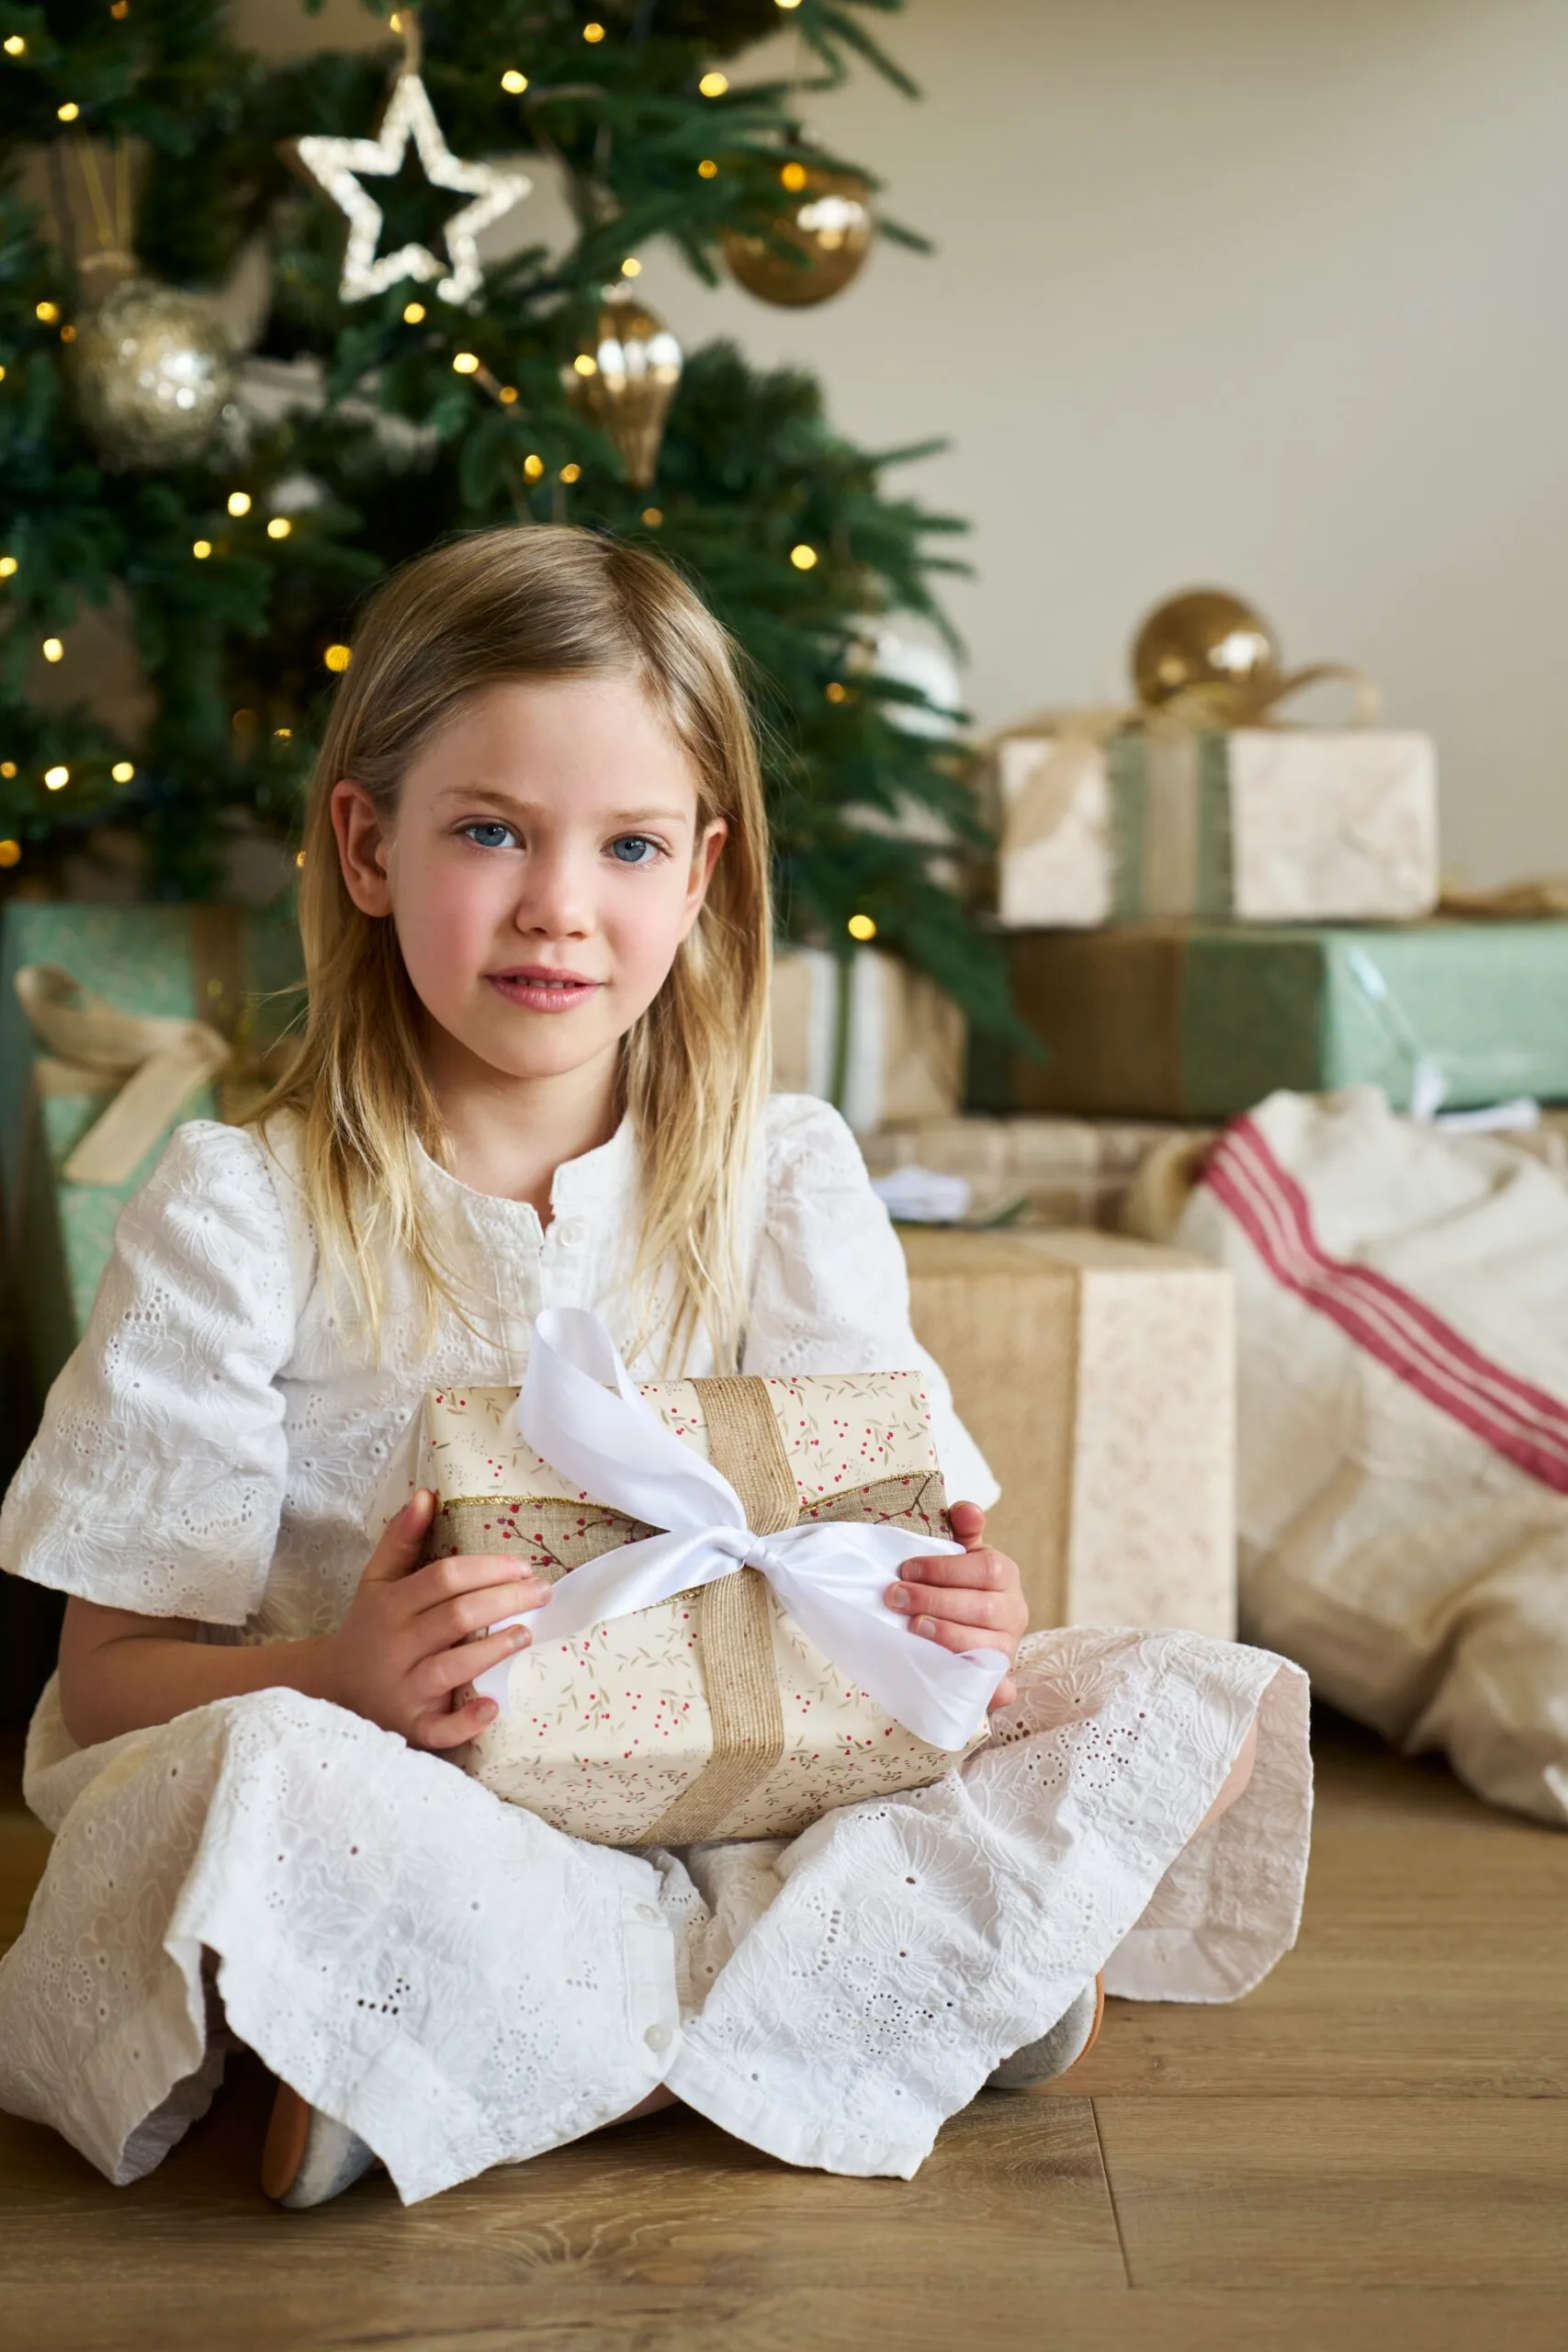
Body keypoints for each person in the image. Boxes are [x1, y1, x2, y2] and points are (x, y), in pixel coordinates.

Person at [0, 527, 1308, 2210]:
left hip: (738, 1792)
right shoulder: (242, 1209)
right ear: (368, 843)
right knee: (269, 1789)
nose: (559, 905)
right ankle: (822, 2002)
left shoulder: (783, 1179)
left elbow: (917, 1552)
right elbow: (103, 1692)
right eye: (489, 831)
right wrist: (338, 1676)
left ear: (697, 878)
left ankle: (496, 2049)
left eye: (625, 845)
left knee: (1128, 1696)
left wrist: (964, 1618)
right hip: (413, 1801)